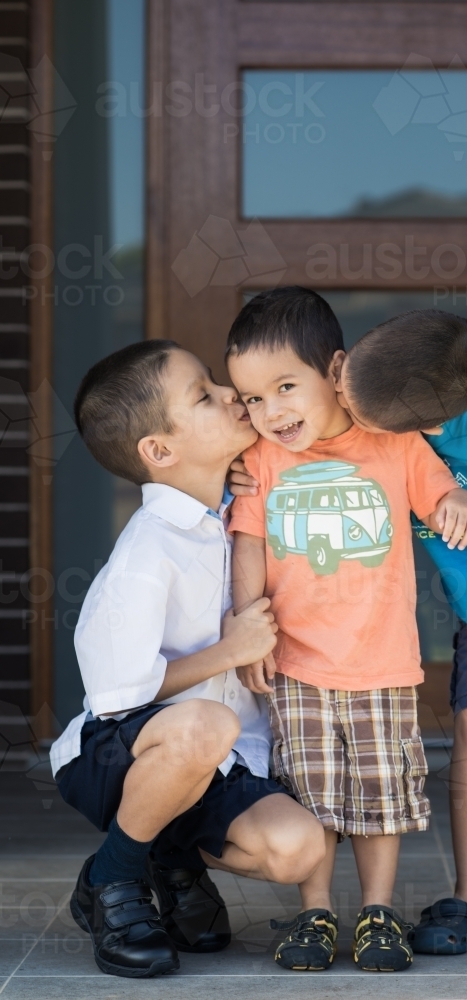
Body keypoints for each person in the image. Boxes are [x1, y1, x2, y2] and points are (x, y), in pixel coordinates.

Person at [230, 306, 467, 965]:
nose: (347, 414)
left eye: (358, 409)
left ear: (422, 425)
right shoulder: (381, 397)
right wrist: (235, 464)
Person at [224, 287, 467, 973]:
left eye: (285, 387)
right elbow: (247, 543)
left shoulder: (393, 443)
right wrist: (247, 627)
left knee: (378, 793)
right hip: (297, 660)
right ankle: (315, 911)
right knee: (311, 794)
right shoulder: (261, 461)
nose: (270, 412)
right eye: (252, 399)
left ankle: (376, 911)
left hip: (380, 661)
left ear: (336, 371)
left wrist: (457, 500)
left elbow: (439, 490)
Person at [50, 340, 327, 979]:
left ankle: (165, 854)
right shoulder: (149, 549)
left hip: (217, 763)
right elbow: (121, 693)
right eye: (204, 394)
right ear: (160, 451)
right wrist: (228, 653)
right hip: (121, 753)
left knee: (298, 850)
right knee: (206, 721)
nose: (232, 395)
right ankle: (114, 881)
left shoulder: (237, 507)